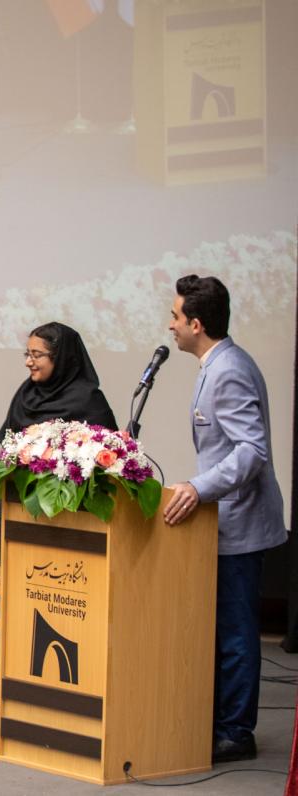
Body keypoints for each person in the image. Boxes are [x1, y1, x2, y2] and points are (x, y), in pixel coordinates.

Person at [163, 275, 286, 764]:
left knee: (235, 632)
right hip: (224, 522)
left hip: (240, 524)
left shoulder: (229, 369)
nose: (170, 325)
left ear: (196, 324)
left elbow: (251, 451)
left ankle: (235, 732)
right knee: (222, 629)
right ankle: (217, 722)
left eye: (175, 316)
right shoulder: (217, 364)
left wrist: (198, 487)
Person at [0, 322, 118, 550]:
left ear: (61, 358)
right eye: (27, 354)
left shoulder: (89, 400)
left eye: (37, 355)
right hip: (15, 508)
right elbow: (6, 454)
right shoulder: (26, 394)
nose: (28, 362)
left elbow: (110, 460)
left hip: (70, 519)